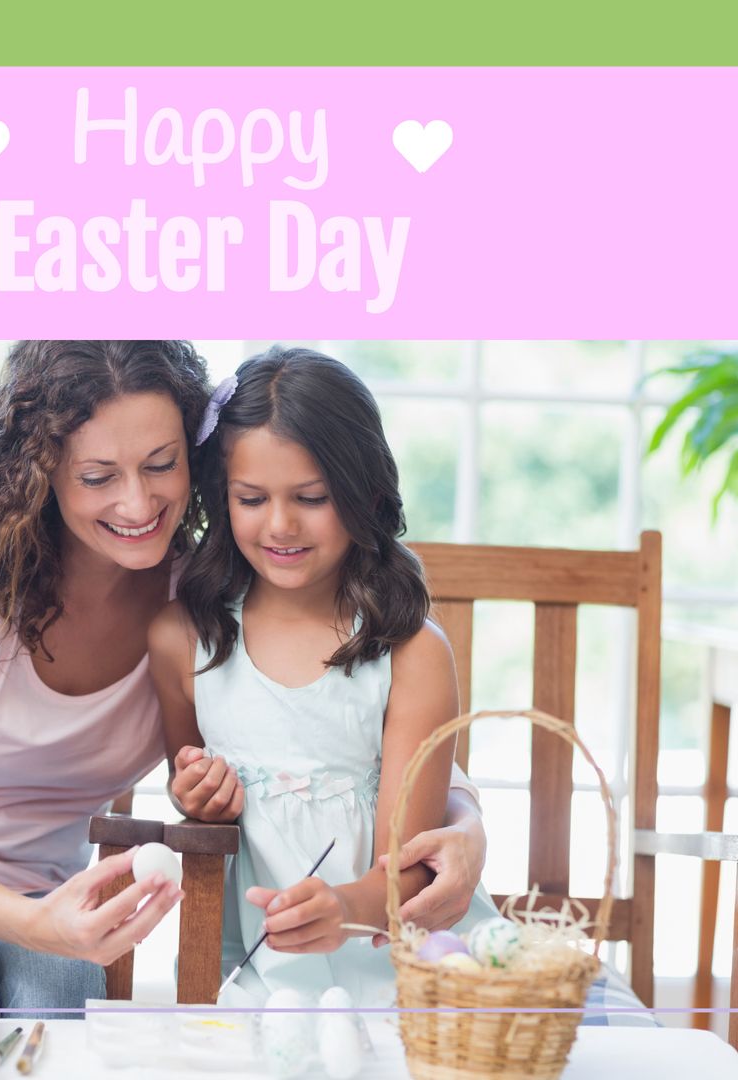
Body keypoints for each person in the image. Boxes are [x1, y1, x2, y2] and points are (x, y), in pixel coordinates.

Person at [0, 340, 488, 1011]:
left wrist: (467, 828)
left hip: (39, 896)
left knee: (61, 992)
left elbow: (356, 739)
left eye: (161, 465)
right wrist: (34, 923)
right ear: (40, 475)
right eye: (99, 476)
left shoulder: (197, 607)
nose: (138, 503)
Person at [148, 345, 498, 1005]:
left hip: (396, 958)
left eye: (311, 498)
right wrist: (196, 793)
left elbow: (411, 865)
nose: (280, 524)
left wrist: (341, 907)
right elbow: (190, 794)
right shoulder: (182, 640)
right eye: (252, 498)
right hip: (250, 964)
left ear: (365, 494)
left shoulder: (410, 654)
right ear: (222, 501)